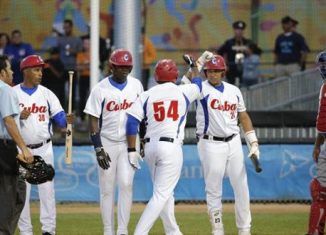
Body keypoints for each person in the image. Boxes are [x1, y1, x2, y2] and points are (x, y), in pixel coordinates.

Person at [126, 59, 202, 235]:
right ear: (174, 75)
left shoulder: (146, 95)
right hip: (170, 147)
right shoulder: (182, 91)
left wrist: (131, 150)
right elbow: (197, 85)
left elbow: (131, 122)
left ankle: (173, 231)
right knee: (161, 195)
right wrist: (195, 67)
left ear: (156, 76)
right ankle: (139, 233)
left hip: (151, 147)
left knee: (165, 194)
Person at [195, 55, 259, 235]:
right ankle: (217, 229)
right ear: (206, 72)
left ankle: (244, 229)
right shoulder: (200, 87)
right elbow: (189, 79)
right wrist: (198, 63)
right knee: (214, 189)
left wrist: (253, 142)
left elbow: (243, 116)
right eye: (210, 71)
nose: (213, 74)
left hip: (234, 141)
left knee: (241, 187)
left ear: (223, 72)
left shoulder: (234, 90)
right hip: (210, 143)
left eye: (217, 70)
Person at [84, 49, 143, 235]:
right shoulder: (100, 88)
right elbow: (92, 118)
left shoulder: (137, 85)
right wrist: (98, 147)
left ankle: (122, 230)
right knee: (107, 189)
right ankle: (108, 230)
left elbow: (143, 114)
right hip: (107, 142)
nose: (124, 70)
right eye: (120, 67)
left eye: (127, 66)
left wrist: (143, 141)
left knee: (126, 184)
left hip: (130, 142)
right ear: (112, 67)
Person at [13, 55, 73, 235]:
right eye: (36, 70)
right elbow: (4, 120)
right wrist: (17, 116)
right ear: (25, 71)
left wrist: (66, 120)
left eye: (41, 70)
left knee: (47, 192)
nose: (40, 73)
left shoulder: (47, 93)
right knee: (22, 193)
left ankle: (48, 230)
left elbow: (60, 117)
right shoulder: (13, 93)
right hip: (21, 149)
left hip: (44, 148)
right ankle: (26, 231)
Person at [0, 54, 33, 235]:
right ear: (3, 72)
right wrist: (24, 148)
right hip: (4, 146)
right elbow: (8, 121)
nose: (12, 72)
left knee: (14, 190)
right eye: (10, 68)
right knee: (12, 192)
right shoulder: (6, 89)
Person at [306, 50, 326, 235]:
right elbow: (323, 122)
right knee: (319, 190)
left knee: (319, 191)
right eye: (322, 64)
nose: (323, 68)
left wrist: (318, 145)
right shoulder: (324, 87)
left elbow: (323, 122)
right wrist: (318, 145)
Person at [57, 19, 82, 110]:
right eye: (64, 27)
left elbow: (81, 52)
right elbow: (57, 51)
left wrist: (73, 51)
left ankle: (72, 110)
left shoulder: (77, 39)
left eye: (67, 27)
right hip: (62, 68)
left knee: (72, 90)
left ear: (71, 27)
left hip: (73, 68)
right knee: (61, 90)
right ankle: (60, 110)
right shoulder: (60, 39)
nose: (66, 29)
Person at [217, 21, 252, 86]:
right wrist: (225, 65)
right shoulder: (229, 42)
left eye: (241, 30)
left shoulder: (247, 42)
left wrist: (247, 50)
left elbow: (254, 54)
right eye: (238, 29)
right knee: (231, 86)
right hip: (231, 68)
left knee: (244, 86)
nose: (239, 31)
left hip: (244, 69)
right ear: (234, 30)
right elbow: (221, 52)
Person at [76, 38, 90, 130]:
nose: (86, 45)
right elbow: (77, 67)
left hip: (92, 77)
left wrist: (83, 66)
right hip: (83, 78)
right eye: (85, 43)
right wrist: (87, 66)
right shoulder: (80, 55)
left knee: (91, 98)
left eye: (88, 43)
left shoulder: (94, 53)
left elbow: (95, 65)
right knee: (82, 98)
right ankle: (82, 117)